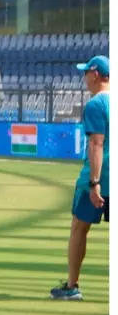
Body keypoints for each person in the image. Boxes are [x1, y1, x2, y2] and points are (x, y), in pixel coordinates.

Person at [51, 55, 109, 300]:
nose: (84, 77)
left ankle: (72, 286)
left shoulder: (96, 104)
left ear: (95, 74)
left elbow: (96, 144)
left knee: (79, 227)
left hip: (101, 175)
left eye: (86, 72)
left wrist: (94, 182)